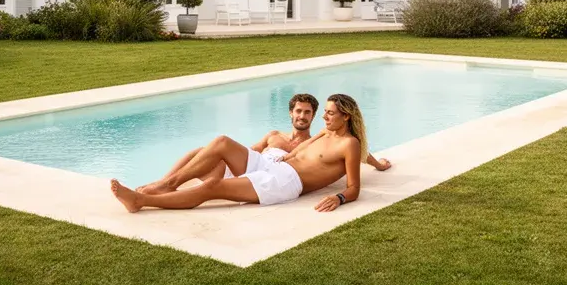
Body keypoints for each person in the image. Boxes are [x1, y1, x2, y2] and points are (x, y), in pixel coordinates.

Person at [111, 93, 375, 213]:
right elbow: (306, 147)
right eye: (325, 112)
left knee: (213, 186)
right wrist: (283, 156)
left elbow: (354, 187)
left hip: (285, 182)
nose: (324, 117)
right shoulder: (326, 132)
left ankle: (140, 201)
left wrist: (339, 198)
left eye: (330, 113)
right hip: (274, 165)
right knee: (222, 142)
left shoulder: (349, 144)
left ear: (346, 116)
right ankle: (167, 184)